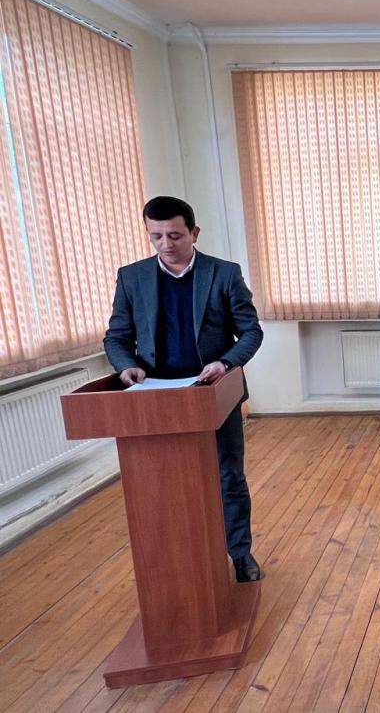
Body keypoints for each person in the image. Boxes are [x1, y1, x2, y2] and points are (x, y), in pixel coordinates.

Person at [104, 196, 265, 583]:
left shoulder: (223, 273)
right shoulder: (132, 277)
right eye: (156, 236)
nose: (165, 244)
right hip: (156, 398)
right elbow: (117, 337)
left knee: (228, 476)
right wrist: (126, 366)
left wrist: (224, 363)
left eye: (174, 235)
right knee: (165, 482)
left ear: (194, 233)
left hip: (213, 392)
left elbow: (251, 332)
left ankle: (240, 553)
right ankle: (181, 560)